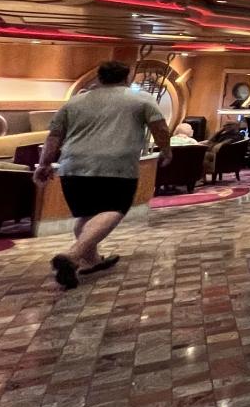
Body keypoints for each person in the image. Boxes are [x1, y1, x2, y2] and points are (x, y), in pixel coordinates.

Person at [35, 61, 171, 289]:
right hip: (116, 166)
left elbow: (54, 136)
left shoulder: (75, 102)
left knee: (87, 216)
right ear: (127, 77)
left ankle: (92, 261)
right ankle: (73, 255)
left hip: (73, 167)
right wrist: (166, 150)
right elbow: (160, 127)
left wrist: (44, 164)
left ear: (99, 78)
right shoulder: (140, 99)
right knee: (114, 209)